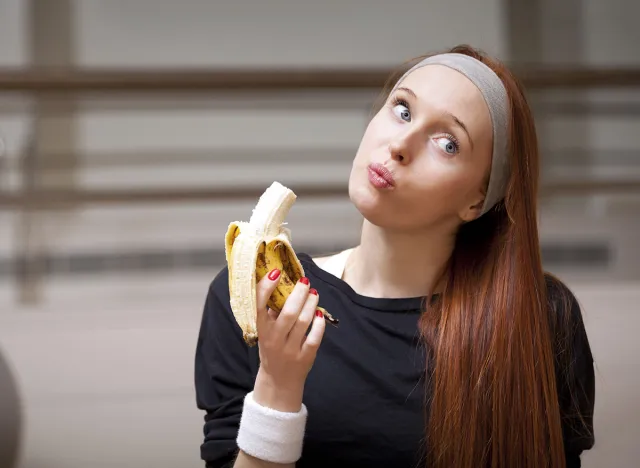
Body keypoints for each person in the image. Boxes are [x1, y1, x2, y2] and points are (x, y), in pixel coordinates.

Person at [194, 44, 596, 468]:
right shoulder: (253, 298)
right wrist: (277, 386)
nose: (400, 144)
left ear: (478, 200)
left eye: (447, 143)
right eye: (402, 110)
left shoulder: (538, 317)